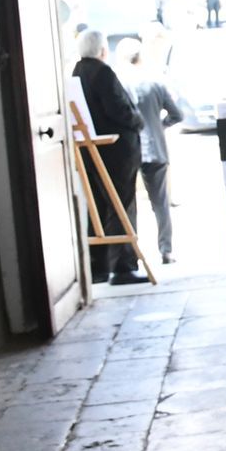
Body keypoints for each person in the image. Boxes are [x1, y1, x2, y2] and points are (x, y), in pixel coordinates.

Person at [71, 31, 145, 286]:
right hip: (116, 153)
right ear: (103, 50)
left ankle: (99, 266)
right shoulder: (102, 73)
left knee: (98, 207)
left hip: (92, 151)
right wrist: (138, 121)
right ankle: (123, 266)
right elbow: (118, 109)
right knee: (120, 206)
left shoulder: (76, 73)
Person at [115, 38, 182, 266]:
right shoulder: (155, 82)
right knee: (160, 203)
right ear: (140, 57)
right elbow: (177, 114)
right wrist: (160, 126)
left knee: (128, 204)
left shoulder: (119, 83)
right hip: (155, 148)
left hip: (127, 151)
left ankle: (132, 252)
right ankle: (166, 250)